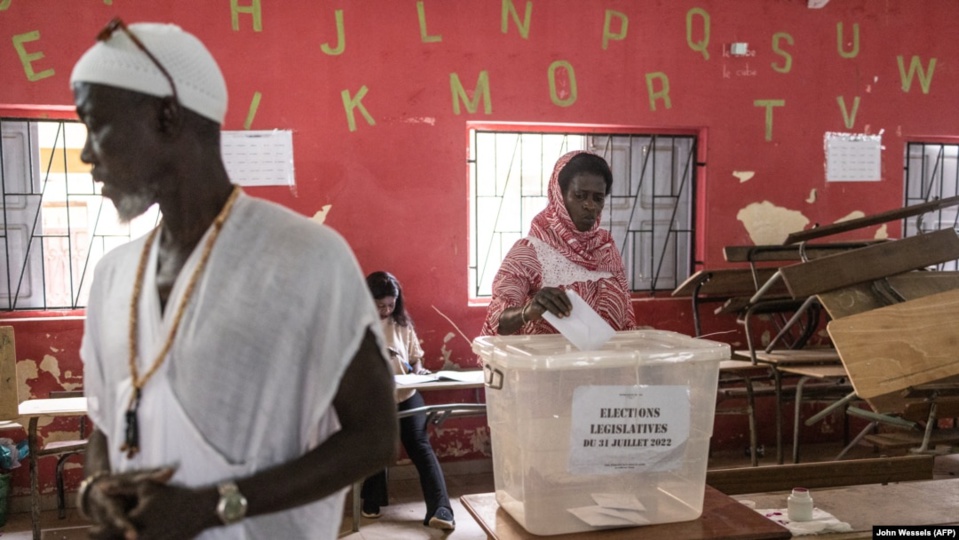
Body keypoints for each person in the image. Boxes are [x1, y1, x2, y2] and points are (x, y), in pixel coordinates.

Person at [72, 19, 397, 540]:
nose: (87, 153)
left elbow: (375, 436)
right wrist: (97, 490)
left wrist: (213, 506)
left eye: (95, 124)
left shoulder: (306, 256)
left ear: (167, 115)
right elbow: (110, 426)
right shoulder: (113, 276)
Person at [482, 150, 636, 336]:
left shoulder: (605, 248)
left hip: (606, 362)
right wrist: (529, 311)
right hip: (547, 363)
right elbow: (498, 321)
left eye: (598, 198)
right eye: (580, 196)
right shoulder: (530, 252)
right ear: (560, 195)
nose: (590, 205)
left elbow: (626, 315)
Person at [360, 271, 456, 530]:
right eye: (380, 305)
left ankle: (441, 509)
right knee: (377, 445)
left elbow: (415, 358)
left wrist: (419, 369)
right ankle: (371, 498)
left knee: (420, 445)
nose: (386, 310)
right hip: (374, 399)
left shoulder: (401, 323)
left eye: (391, 304)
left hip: (407, 393)